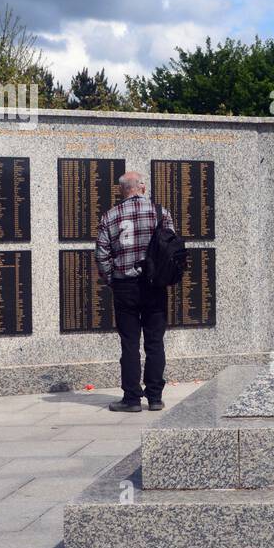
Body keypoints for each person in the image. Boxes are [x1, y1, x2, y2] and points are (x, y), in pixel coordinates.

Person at [96, 171, 174, 412]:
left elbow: (102, 255)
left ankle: (131, 399)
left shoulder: (110, 216)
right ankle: (154, 397)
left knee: (129, 343)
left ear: (122, 190)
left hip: (125, 286)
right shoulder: (161, 213)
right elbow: (172, 248)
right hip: (154, 285)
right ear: (141, 187)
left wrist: (112, 279)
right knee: (154, 342)